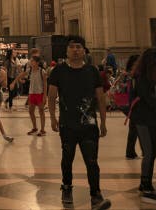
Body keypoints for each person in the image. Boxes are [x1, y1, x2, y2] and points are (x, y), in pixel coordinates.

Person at [47, 35, 111, 210]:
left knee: (92, 161)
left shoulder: (92, 71)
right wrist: (52, 117)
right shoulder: (58, 71)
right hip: (67, 124)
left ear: (84, 51)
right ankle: (66, 187)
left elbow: (100, 97)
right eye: (72, 47)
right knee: (67, 158)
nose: (76, 50)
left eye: (79, 47)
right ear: (67, 51)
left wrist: (103, 121)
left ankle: (96, 195)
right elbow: (52, 96)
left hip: (89, 125)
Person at [130, 47, 156, 204]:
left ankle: (144, 184)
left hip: (151, 119)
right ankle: (146, 188)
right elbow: (151, 101)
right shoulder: (143, 78)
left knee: (153, 151)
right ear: (153, 61)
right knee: (149, 152)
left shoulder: (154, 77)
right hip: (143, 120)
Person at [18, 55, 47, 136]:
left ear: (37, 62)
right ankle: (35, 128)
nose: (30, 62)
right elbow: (21, 75)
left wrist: (45, 96)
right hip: (32, 94)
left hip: (39, 93)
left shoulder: (42, 71)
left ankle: (43, 130)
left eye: (32, 61)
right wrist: (18, 80)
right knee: (31, 111)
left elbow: (45, 84)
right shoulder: (29, 70)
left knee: (41, 111)